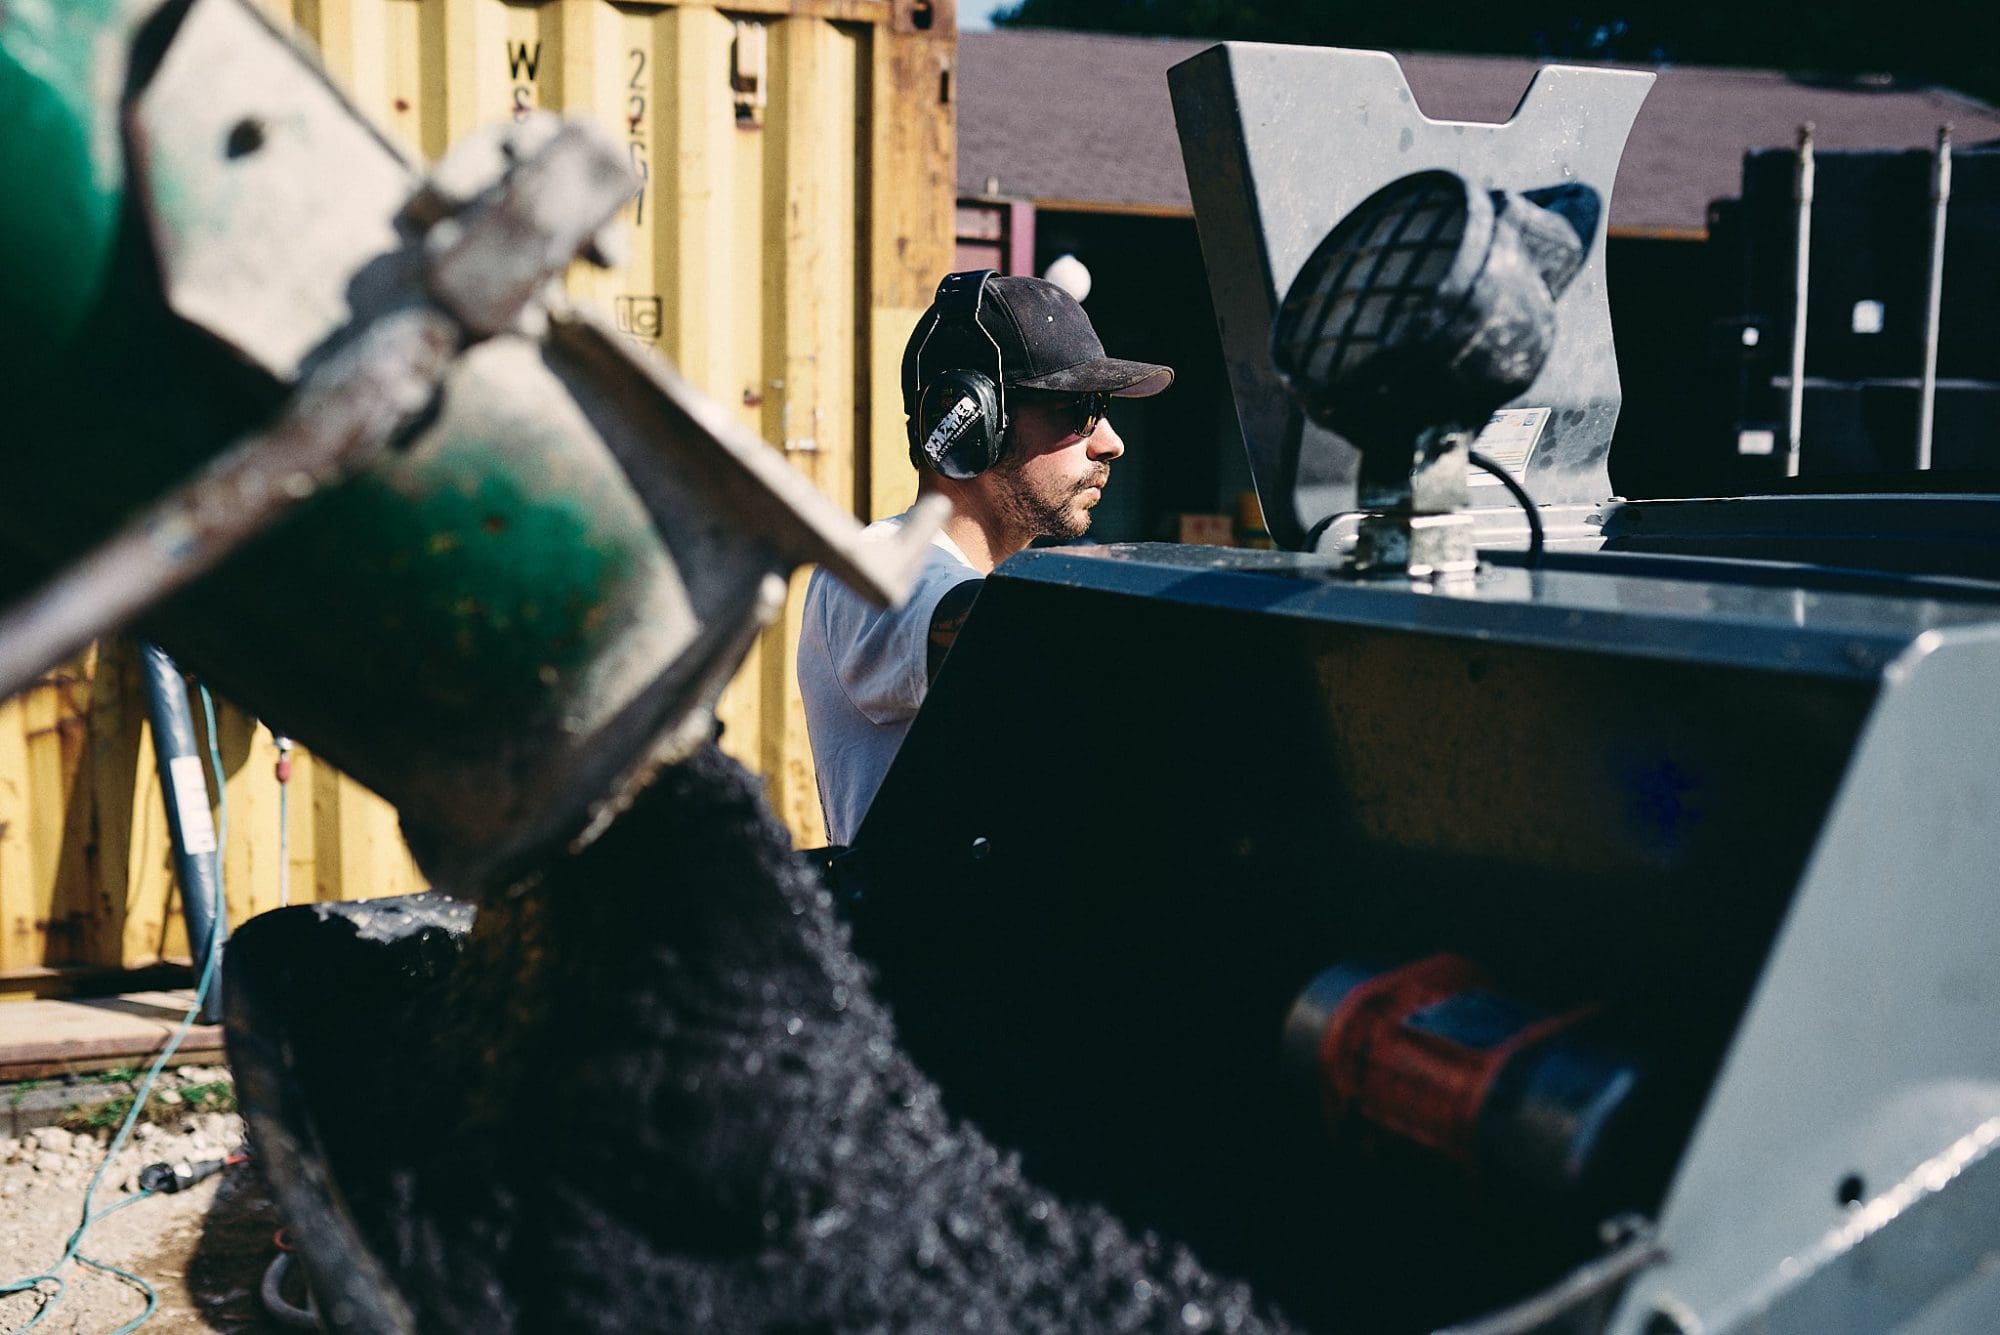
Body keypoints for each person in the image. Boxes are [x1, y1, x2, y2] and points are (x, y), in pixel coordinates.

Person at [797, 270, 1173, 845]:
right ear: (975, 418)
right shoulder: (875, 567)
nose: (1111, 442)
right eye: (1080, 410)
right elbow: (1003, 636)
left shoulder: (1000, 580)